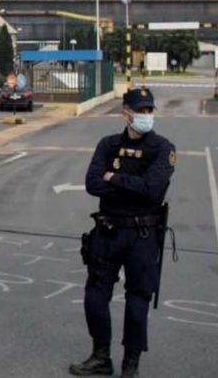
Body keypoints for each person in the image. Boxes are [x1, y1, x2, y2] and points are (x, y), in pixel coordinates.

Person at [69, 87, 175, 378]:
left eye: (149, 110)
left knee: (137, 300)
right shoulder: (108, 144)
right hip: (108, 230)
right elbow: (92, 184)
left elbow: (153, 190)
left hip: (143, 234)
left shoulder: (164, 148)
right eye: (139, 110)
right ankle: (101, 356)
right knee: (94, 295)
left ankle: (131, 364)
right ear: (125, 112)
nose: (145, 116)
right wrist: (132, 185)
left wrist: (114, 178)